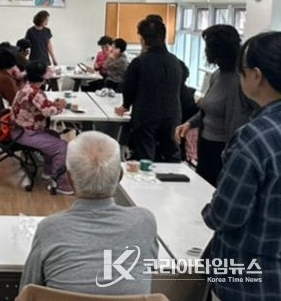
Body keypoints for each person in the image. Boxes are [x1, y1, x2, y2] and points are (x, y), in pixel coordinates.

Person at [20, 131, 158, 295]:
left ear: (70, 180)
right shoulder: (145, 222)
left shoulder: (49, 228)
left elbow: (27, 291)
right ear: (120, 176)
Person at [202, 31, 281, 300]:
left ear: (257, 76)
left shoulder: (254, 138)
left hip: (248, 282)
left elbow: (226, 215)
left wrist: (208, 211)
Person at [174, 25, 254, 186]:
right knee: (202, 187)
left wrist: (230, 153)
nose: (205, 52)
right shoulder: (217, 74)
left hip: (223, 149)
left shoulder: (240, 80)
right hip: (206, 144)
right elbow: (208, 108)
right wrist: (189, 123)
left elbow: (238, 122)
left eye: (207, 47)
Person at [116, 19, 182, 162]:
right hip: (172, 115)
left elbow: (129, 88)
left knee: (145, 157)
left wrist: (125, 105)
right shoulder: (176, 61)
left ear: (143, 40)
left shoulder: (139, 62)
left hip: (146, 115)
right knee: (171, 157)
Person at [11, 61, 72, 194]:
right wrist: (60, 106)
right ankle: (60, 183)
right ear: (42, 77)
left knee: (54, 136)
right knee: (62, 146)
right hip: (26, 134)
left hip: (19, 130)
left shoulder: (26, 88)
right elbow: (47, 111)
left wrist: (53, 104)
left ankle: (48, 171)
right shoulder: (35, 93)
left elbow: (42, 105)